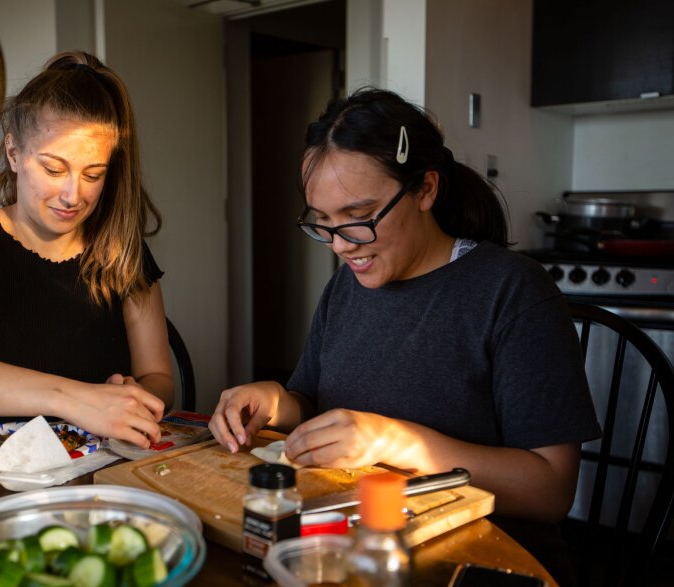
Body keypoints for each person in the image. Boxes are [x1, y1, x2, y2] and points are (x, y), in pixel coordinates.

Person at [209, 88, 600, 583]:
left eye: (359, 217)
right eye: (323, 222)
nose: (340, 245)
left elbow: (549, 490)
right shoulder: (345, 289)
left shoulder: (511, 290)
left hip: (478, 563)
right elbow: (308, 403)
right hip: (359, 548)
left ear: (425, 189)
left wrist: (395, 440)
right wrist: (271, 401)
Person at [0, 50, 172, 448]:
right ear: (14, 154)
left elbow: (159, 380)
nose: (73, 194)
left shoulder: (123, 253)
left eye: (93, 174)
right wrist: (79, 399)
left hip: (94, 463)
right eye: (54, 169)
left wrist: (132, 396)